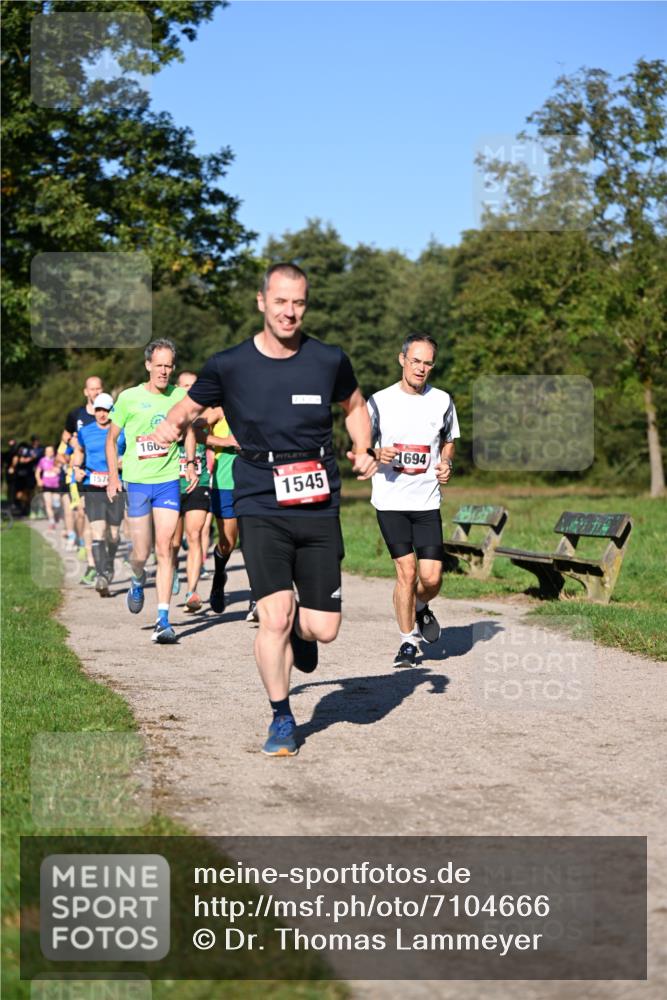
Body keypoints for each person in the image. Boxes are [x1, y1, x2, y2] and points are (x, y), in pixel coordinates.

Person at [150, 262, 377, 756]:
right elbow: (189, 405)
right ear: (261, 302)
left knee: (323, 628)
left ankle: (303, 630)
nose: (289, 312)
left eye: (298, 302)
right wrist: (169, 425)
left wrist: (363, 447)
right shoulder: (230, 364)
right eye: (280, 301)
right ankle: (281, 716)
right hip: (258, 496)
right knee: (272, 616)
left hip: (317, 499)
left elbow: (355, 405)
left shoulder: (328, 359)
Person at [367, 334, 459, 667]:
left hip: (427, 502)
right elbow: (360, 450)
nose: (421, 368)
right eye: (416, 361)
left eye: (428, 363)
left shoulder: (443, 401)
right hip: (390, 501)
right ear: (402, 359)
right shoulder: (379, 401)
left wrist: (447, 462)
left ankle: (420, 607)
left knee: (432, 578)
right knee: (406, 572)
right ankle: (408, 641)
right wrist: (377, 452)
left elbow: (448, 441)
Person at [106, 339, 198, 643]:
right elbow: (112, 440)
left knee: (166, 546)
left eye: (168, 365)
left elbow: (190, 430)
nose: (164, 371)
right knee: (141, 552)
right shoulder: (129, 398)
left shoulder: (180, 396)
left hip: (168, 480)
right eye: (159, 365)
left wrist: (189, 462)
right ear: (148, 365)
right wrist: (112, 477)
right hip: (137, 482)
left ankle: (162, 619)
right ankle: (136, 578)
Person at [72, 393, 126, 596]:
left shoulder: (121, 432)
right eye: (98, 410)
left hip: (115, 486)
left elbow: (129, 454)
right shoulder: (85, 432)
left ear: (112, 411)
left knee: (113, 535)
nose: (102, 414)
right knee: (98, 531)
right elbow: (79, 452)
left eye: (106, 410)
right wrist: (77, 468)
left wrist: (122, 462)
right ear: (94, 411)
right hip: (93, 485)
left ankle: (109, 563)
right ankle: (101, 575)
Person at [170, 371, 212, 612]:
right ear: (178, 388)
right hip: (172, 482)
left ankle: (192, 591)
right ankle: (173, 568)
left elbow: (212, 428)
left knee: (194, 535)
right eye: (184, 386)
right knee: (172, 541)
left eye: (193, 386)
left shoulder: (205, 414)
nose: (188, 390)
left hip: (199, 481)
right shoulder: (169, 414)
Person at [35, 445, 64, 530]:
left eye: (51, 451)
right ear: (45, 452)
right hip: (46, 485)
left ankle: (57, 517)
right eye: (48, 451)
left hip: (56, 485)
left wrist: (57, 469)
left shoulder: (56, 459)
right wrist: (38, 480)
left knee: (57, 504)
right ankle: (51, 522)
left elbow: (60, 470)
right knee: (48, 504)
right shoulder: (42, 460)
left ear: (53, 451)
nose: (49, 452)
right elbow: (37, 472)